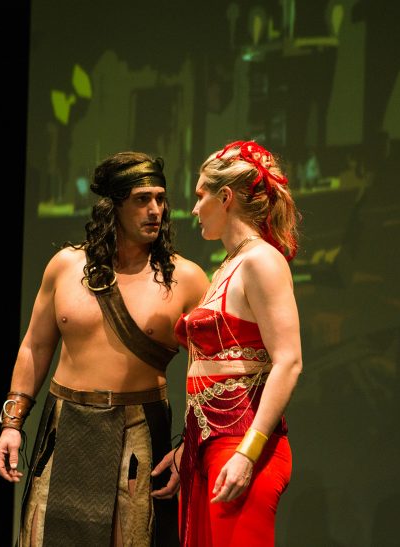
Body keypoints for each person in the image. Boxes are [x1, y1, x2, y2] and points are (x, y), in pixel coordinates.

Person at [0, 151, 210, 547]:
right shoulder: (65, 266)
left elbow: (211, 371)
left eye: (160, 199)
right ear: (115, 205)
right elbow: (35, 346)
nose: (155, 210)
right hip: (64, 425)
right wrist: (12, 423)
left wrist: (188, 449)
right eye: (142, 199)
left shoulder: (187, 279)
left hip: (137, 428)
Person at [150, 141, 303, 546]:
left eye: (201, 195)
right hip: (210, 444)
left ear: (226, 198)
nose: (194, 209)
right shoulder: (228, 266)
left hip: (240, 442)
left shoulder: (262, 261)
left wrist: (248, 453)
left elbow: (289, 361)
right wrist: (188, 448)